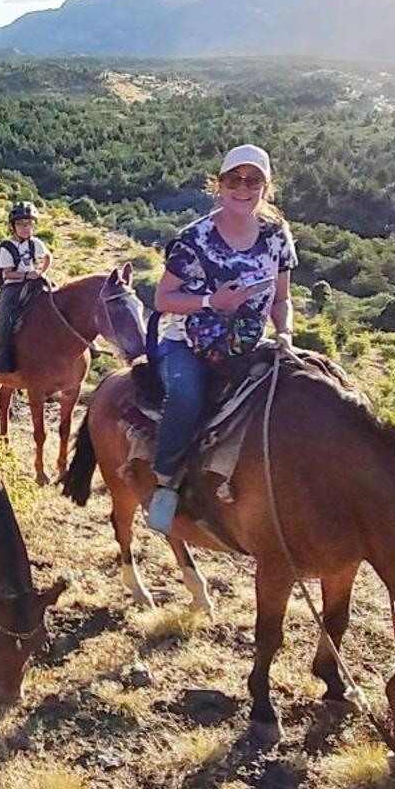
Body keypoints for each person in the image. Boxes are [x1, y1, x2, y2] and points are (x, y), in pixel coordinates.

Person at [146, 144, 297, 533]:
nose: (243, 188)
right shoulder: (194, 239)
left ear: (267, 186)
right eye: (234, 179)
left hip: (247, 345)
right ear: (219, 184)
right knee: (187, 396)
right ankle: (165, 482)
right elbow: (163, 298)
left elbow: (282, 299)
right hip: (189, 343)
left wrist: (285, 333)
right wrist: (213, 301)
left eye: (253, 180)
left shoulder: (277, 235)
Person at [0, 200, 53, 373]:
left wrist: (41, 272)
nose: (26, 228)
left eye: (29, 224)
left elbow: (47, 257)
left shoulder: (35, 243)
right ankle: (3, 354)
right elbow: (7, 273)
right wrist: (26, 275)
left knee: (61, 299)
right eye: (21, 224)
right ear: (13, 226)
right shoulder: (7, 248)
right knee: (6, 314)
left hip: (34, 280)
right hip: (14, 285)